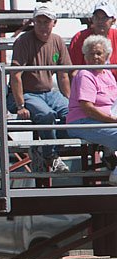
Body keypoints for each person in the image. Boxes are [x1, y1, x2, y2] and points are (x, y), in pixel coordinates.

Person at [8, 5, 71, 173]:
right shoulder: (23, 41)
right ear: (34, 22)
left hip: (49, 92)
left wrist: (71, 101)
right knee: (46, 115)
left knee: (72, 115)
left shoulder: (57, 41)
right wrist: (20, 105)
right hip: (28, 93)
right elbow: (15, 75)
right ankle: (51, 155)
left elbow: (63, 75)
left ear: (54, 23)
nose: (43, 26)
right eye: (39, 21)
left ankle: (44, 149)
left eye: (46, 22)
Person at [67, 35, 117, 184]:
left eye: (99, 53)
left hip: (104, 119)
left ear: (107, 55)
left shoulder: (107, 73)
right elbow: (87, 108)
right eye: (90, 53)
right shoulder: (85, 75)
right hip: (83, 121)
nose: (95, 57)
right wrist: (113, 120)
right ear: (85, 56)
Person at [69, 1, 117, 80]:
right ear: (92, 19)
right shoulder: (79, 38)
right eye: (97, 17)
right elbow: (73, 71)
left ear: (113, 21)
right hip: (87, 82)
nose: (100, 21)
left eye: (104, 18)